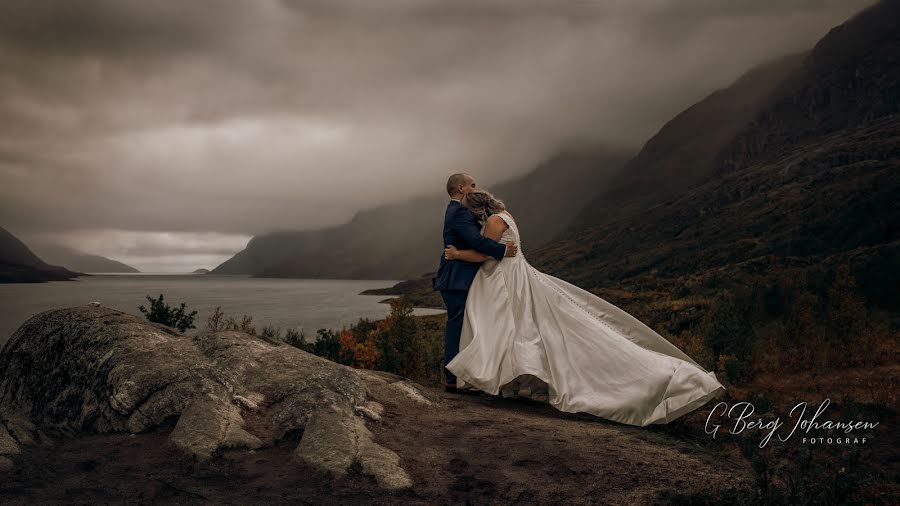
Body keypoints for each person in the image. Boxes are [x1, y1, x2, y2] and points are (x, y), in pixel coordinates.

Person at [443, 189, 726, 426]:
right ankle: (513, 382)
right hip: (518, 275)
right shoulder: (507, 216)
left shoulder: (493, 222)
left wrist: (456, 253)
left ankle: (506, 380)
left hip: (508, 280)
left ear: (478, 210)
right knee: (522, 329)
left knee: (510, 329)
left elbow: (483, 253)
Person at [432, 174, 518, 393]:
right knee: (457, 326)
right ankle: (453, 379)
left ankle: (468, 375)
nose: (475, 188)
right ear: (461, 188)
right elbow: (477, 242)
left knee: (467, 326)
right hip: (457, 278)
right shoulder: (459, 211)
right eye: (472, 185)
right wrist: (502, 250)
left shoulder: (457, 210)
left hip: (461, 275)